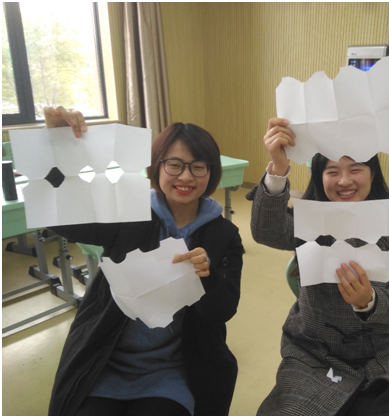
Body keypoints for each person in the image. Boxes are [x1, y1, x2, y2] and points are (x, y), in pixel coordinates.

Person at [44, 106, 244, 416]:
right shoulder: (129, 214)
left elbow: (223, 311)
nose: (186, 176)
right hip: (105, 359)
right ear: (156, 166)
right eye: (174, 165)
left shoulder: (223, 235)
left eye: (198, 167)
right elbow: (62, 217)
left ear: (212, 172)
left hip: (173, 369)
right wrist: (58, 144)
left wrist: (208, 277)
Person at [247, 117, 389, 416]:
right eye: (332, 171)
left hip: (375, 357)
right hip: (311, 352)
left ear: (372, 173)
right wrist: (278, 168)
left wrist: (369, 301)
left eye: (355, 169)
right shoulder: (312, 222)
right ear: (319, 176)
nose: (344, 181)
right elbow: (267, 232)